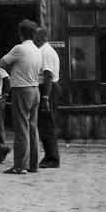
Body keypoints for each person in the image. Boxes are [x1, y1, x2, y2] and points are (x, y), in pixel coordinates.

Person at [0, 19, 43, 174]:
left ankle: (20, 165)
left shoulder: (19, 48)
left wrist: (13, 69)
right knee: (32, 127)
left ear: (20, 34)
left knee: (21, 128)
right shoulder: (37, 50)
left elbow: (2, 63)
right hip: (35, 89)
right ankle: (33, 164)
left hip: (21, 89)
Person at [36, 27, 60, 168]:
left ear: (40, 37)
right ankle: (49, 155)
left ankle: (52, 158)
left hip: (48, 89)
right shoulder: (45, 50)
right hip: (47, 88)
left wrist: (45, 97)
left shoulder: (46, 52)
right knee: (45, 124)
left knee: (47, 124)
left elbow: (48, 75)